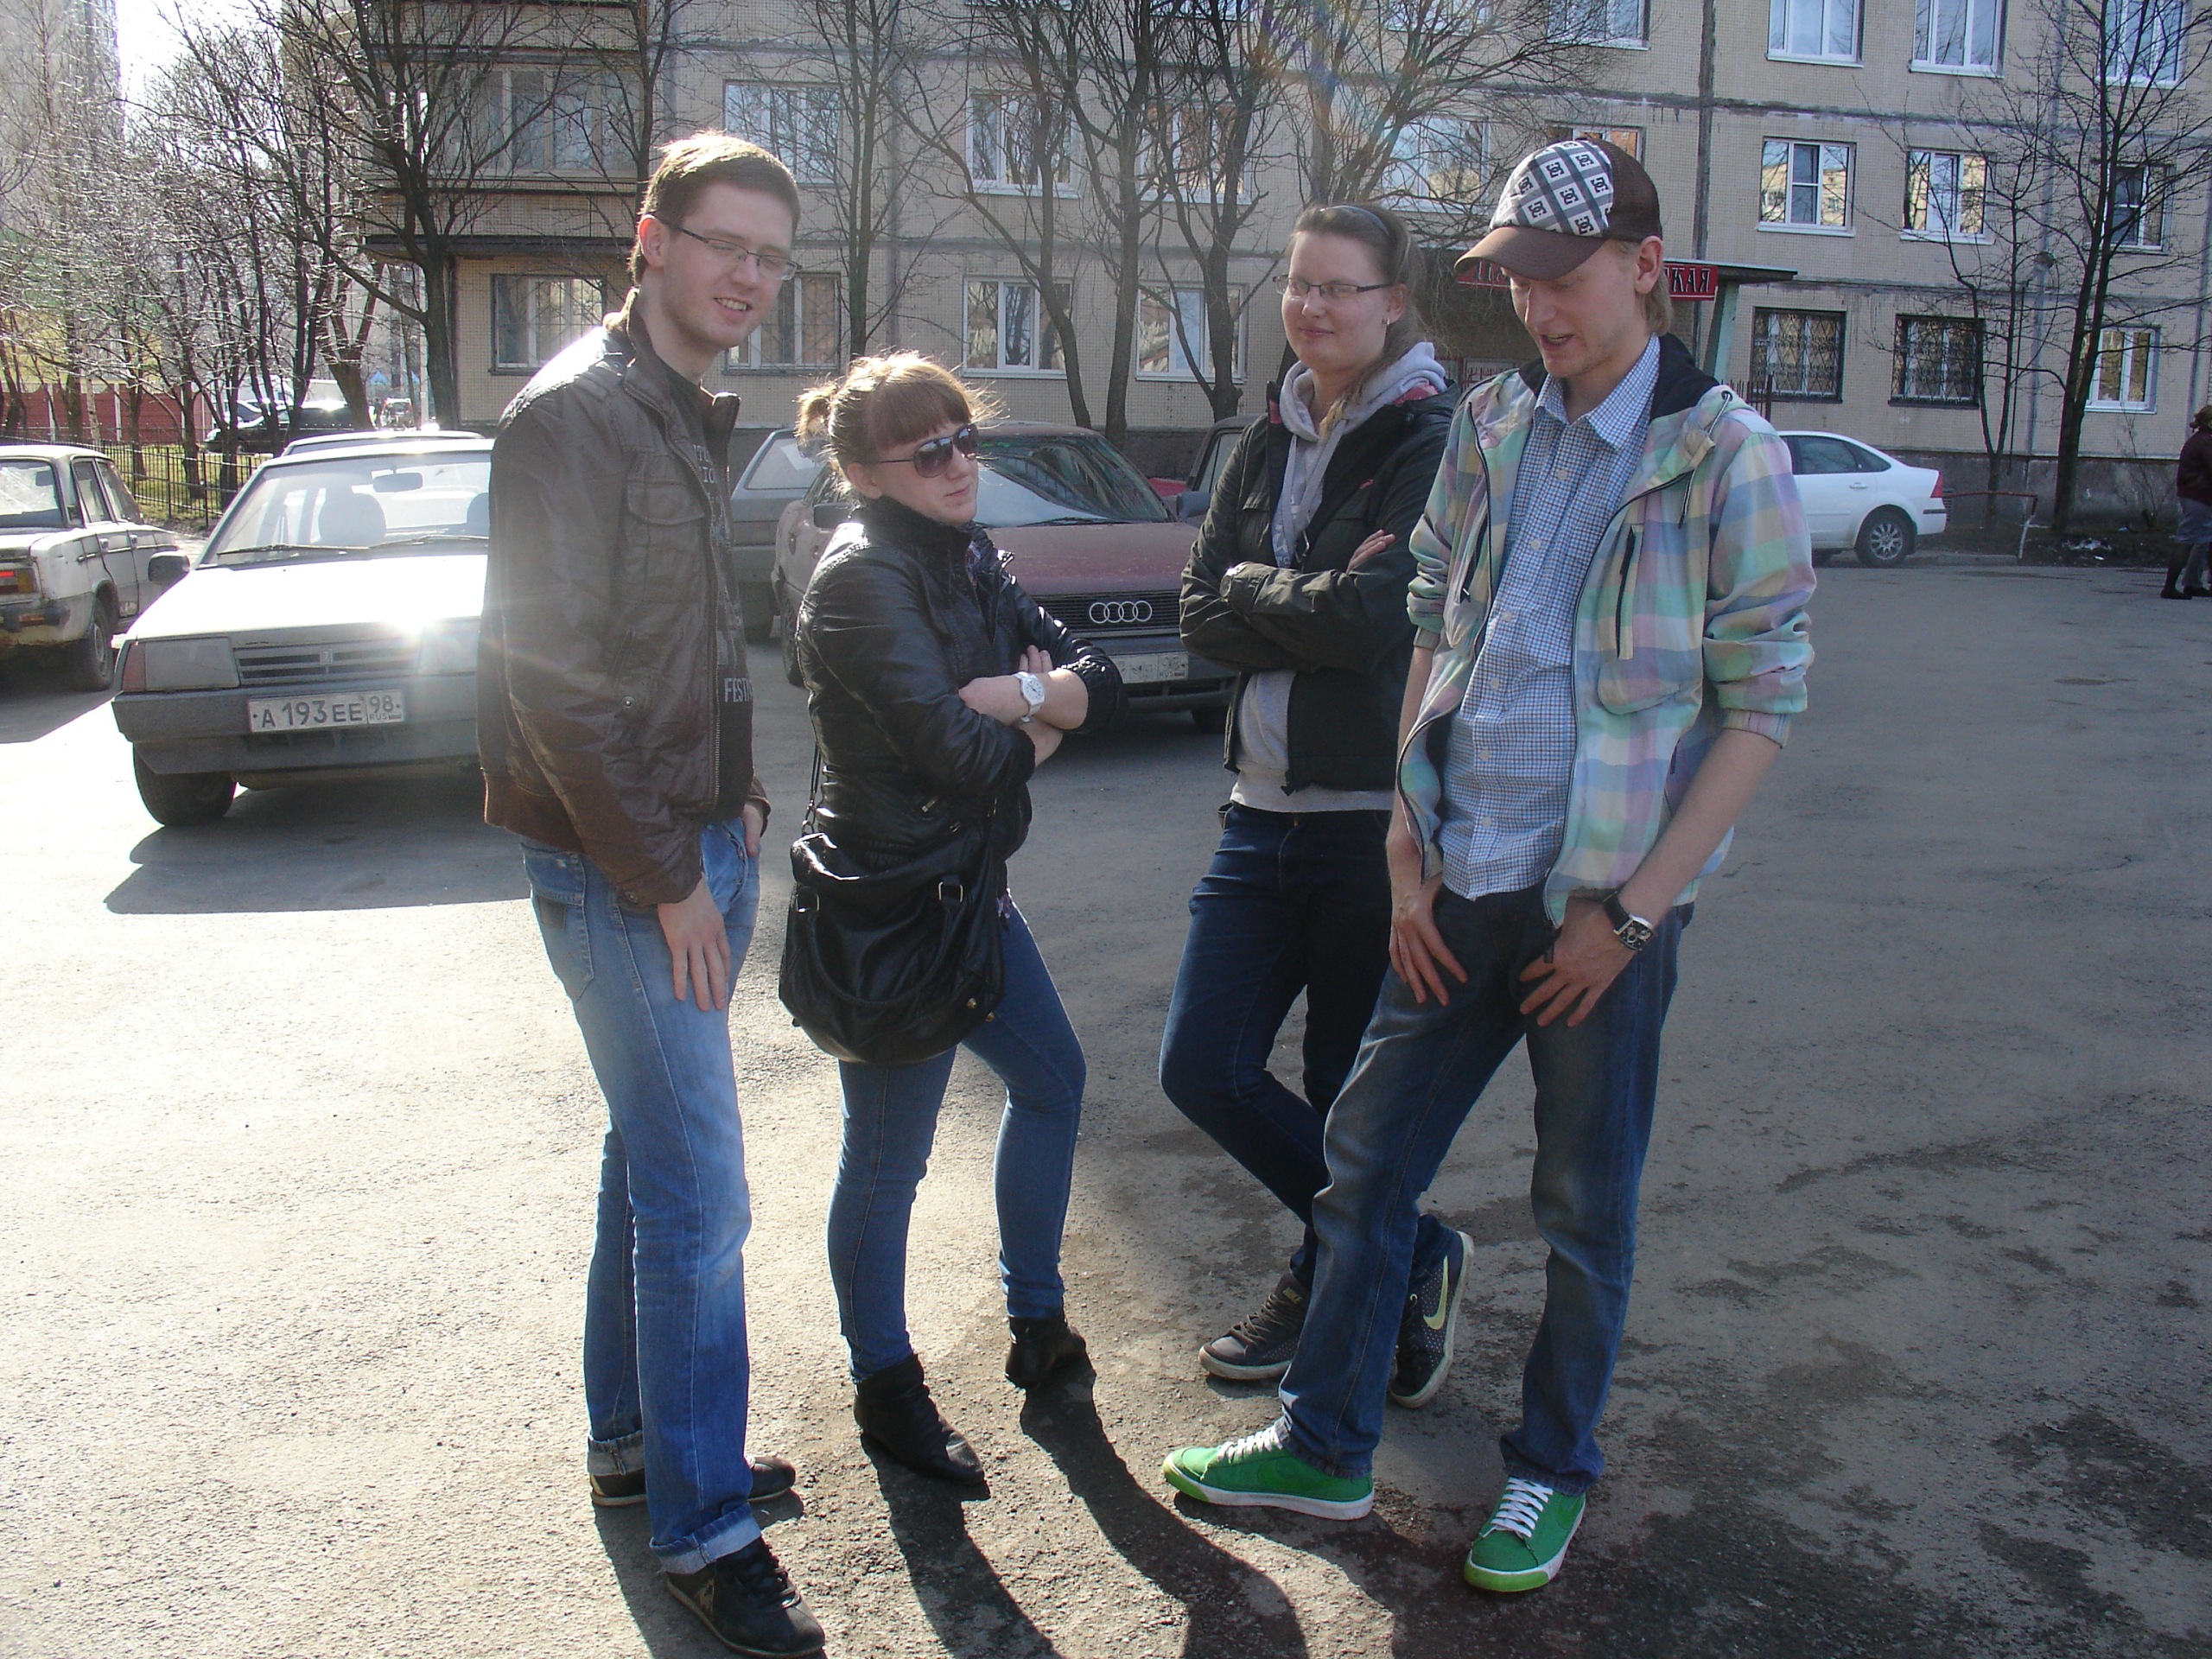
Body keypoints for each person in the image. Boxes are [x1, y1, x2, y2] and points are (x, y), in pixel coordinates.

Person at [1164, 137, 1815, 1596]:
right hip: (1461, 878)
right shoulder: (1497, 425)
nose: (1536, 307)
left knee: (1584, 1207)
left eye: (1563, 277)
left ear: (1648, 267)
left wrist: (1632, 919)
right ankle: (1325, 1443)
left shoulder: (1728, 456)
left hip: (1601, 910)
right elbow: (1437, 624)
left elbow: (1762, 709)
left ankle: (1551, 1471)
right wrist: (1408, 835)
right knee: (1362, 1165)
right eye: (1517, 279)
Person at [480, 134, 822, 1656]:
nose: (747, 276)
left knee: (650, 1160)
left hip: (693, 844)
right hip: (627, 868)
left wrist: (737, 792)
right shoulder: (576, 415)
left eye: (771, 256)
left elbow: (697, 643)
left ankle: (641, 1443)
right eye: (724, 243)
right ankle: (703, 1526)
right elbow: (551, 679)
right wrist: (673, 872)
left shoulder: (680, 403)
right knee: (703, 1195)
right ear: (651, 238)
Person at [791, 353, 1123, 1486]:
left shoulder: (970, 553)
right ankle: (886, 1386)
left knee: (1054, 1081)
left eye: (965, 438)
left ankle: (1038, 1324)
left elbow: (1097, 674)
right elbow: (961, 758)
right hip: (889, 912)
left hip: (970, 889)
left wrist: (1025, 694)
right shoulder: (860, 580)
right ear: (862, 472)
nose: (956, 464)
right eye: (927, 451)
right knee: (889, 1161)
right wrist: (1041, 725)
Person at [1163, 201, 1466, 1400]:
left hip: (1368, 824)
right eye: (1299, 284)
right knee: (1204, 1068)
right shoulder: (1259, 442)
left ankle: (1336, 1290)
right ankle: (1413, 1254)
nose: (1313, 307)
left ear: (1394, 303)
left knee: (1349, 1098)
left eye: (1340, 287)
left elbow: (1377, 620)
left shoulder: (1431, 440)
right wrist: (1292, 594)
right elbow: (1196, 615)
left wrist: (1257, 590)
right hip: (1255, 816)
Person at [2163, 404, 2212, 599]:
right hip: (2199, 496)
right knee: (2188, 539)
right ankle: (2170, 587)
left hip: (2197, 495)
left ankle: (2192, 583)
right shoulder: (2206, 442)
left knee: (2203, 540)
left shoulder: (2200, 440)